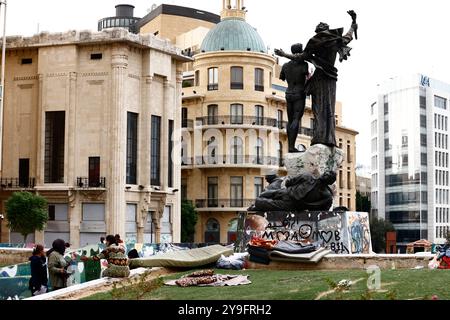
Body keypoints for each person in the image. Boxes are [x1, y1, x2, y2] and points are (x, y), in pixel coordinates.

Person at [275, 11, 358, 147]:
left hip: (319, 79)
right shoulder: (335, 41)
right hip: (331, 79)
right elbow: (348, 37)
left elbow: (299, 57)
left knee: (319, 107)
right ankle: (329, 138)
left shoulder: (314, 43)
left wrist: (284, 54)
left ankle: (320, 137)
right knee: (329, 107)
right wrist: (353, 23)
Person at [249, 171, 336, 212]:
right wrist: (288, 190)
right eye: (326, 173)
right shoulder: (307, 176)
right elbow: (290, 182)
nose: (325, 175)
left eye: (328, 176)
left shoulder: (326, 196)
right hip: (286, 193)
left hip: (292, 205)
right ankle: (256, 206)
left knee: (261, 202)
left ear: (330, 182)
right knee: (264, 195)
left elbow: (324, 211)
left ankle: (257, 206)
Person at [279, 43, 309, 153]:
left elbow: (281, 77)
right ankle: (291, 147)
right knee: (296, 120)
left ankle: (290, 146)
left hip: (288, 94)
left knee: (290, 120)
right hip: (299, 94)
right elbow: (306, 77)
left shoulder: (285, 66)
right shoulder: (304, 65)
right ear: (300, 52)